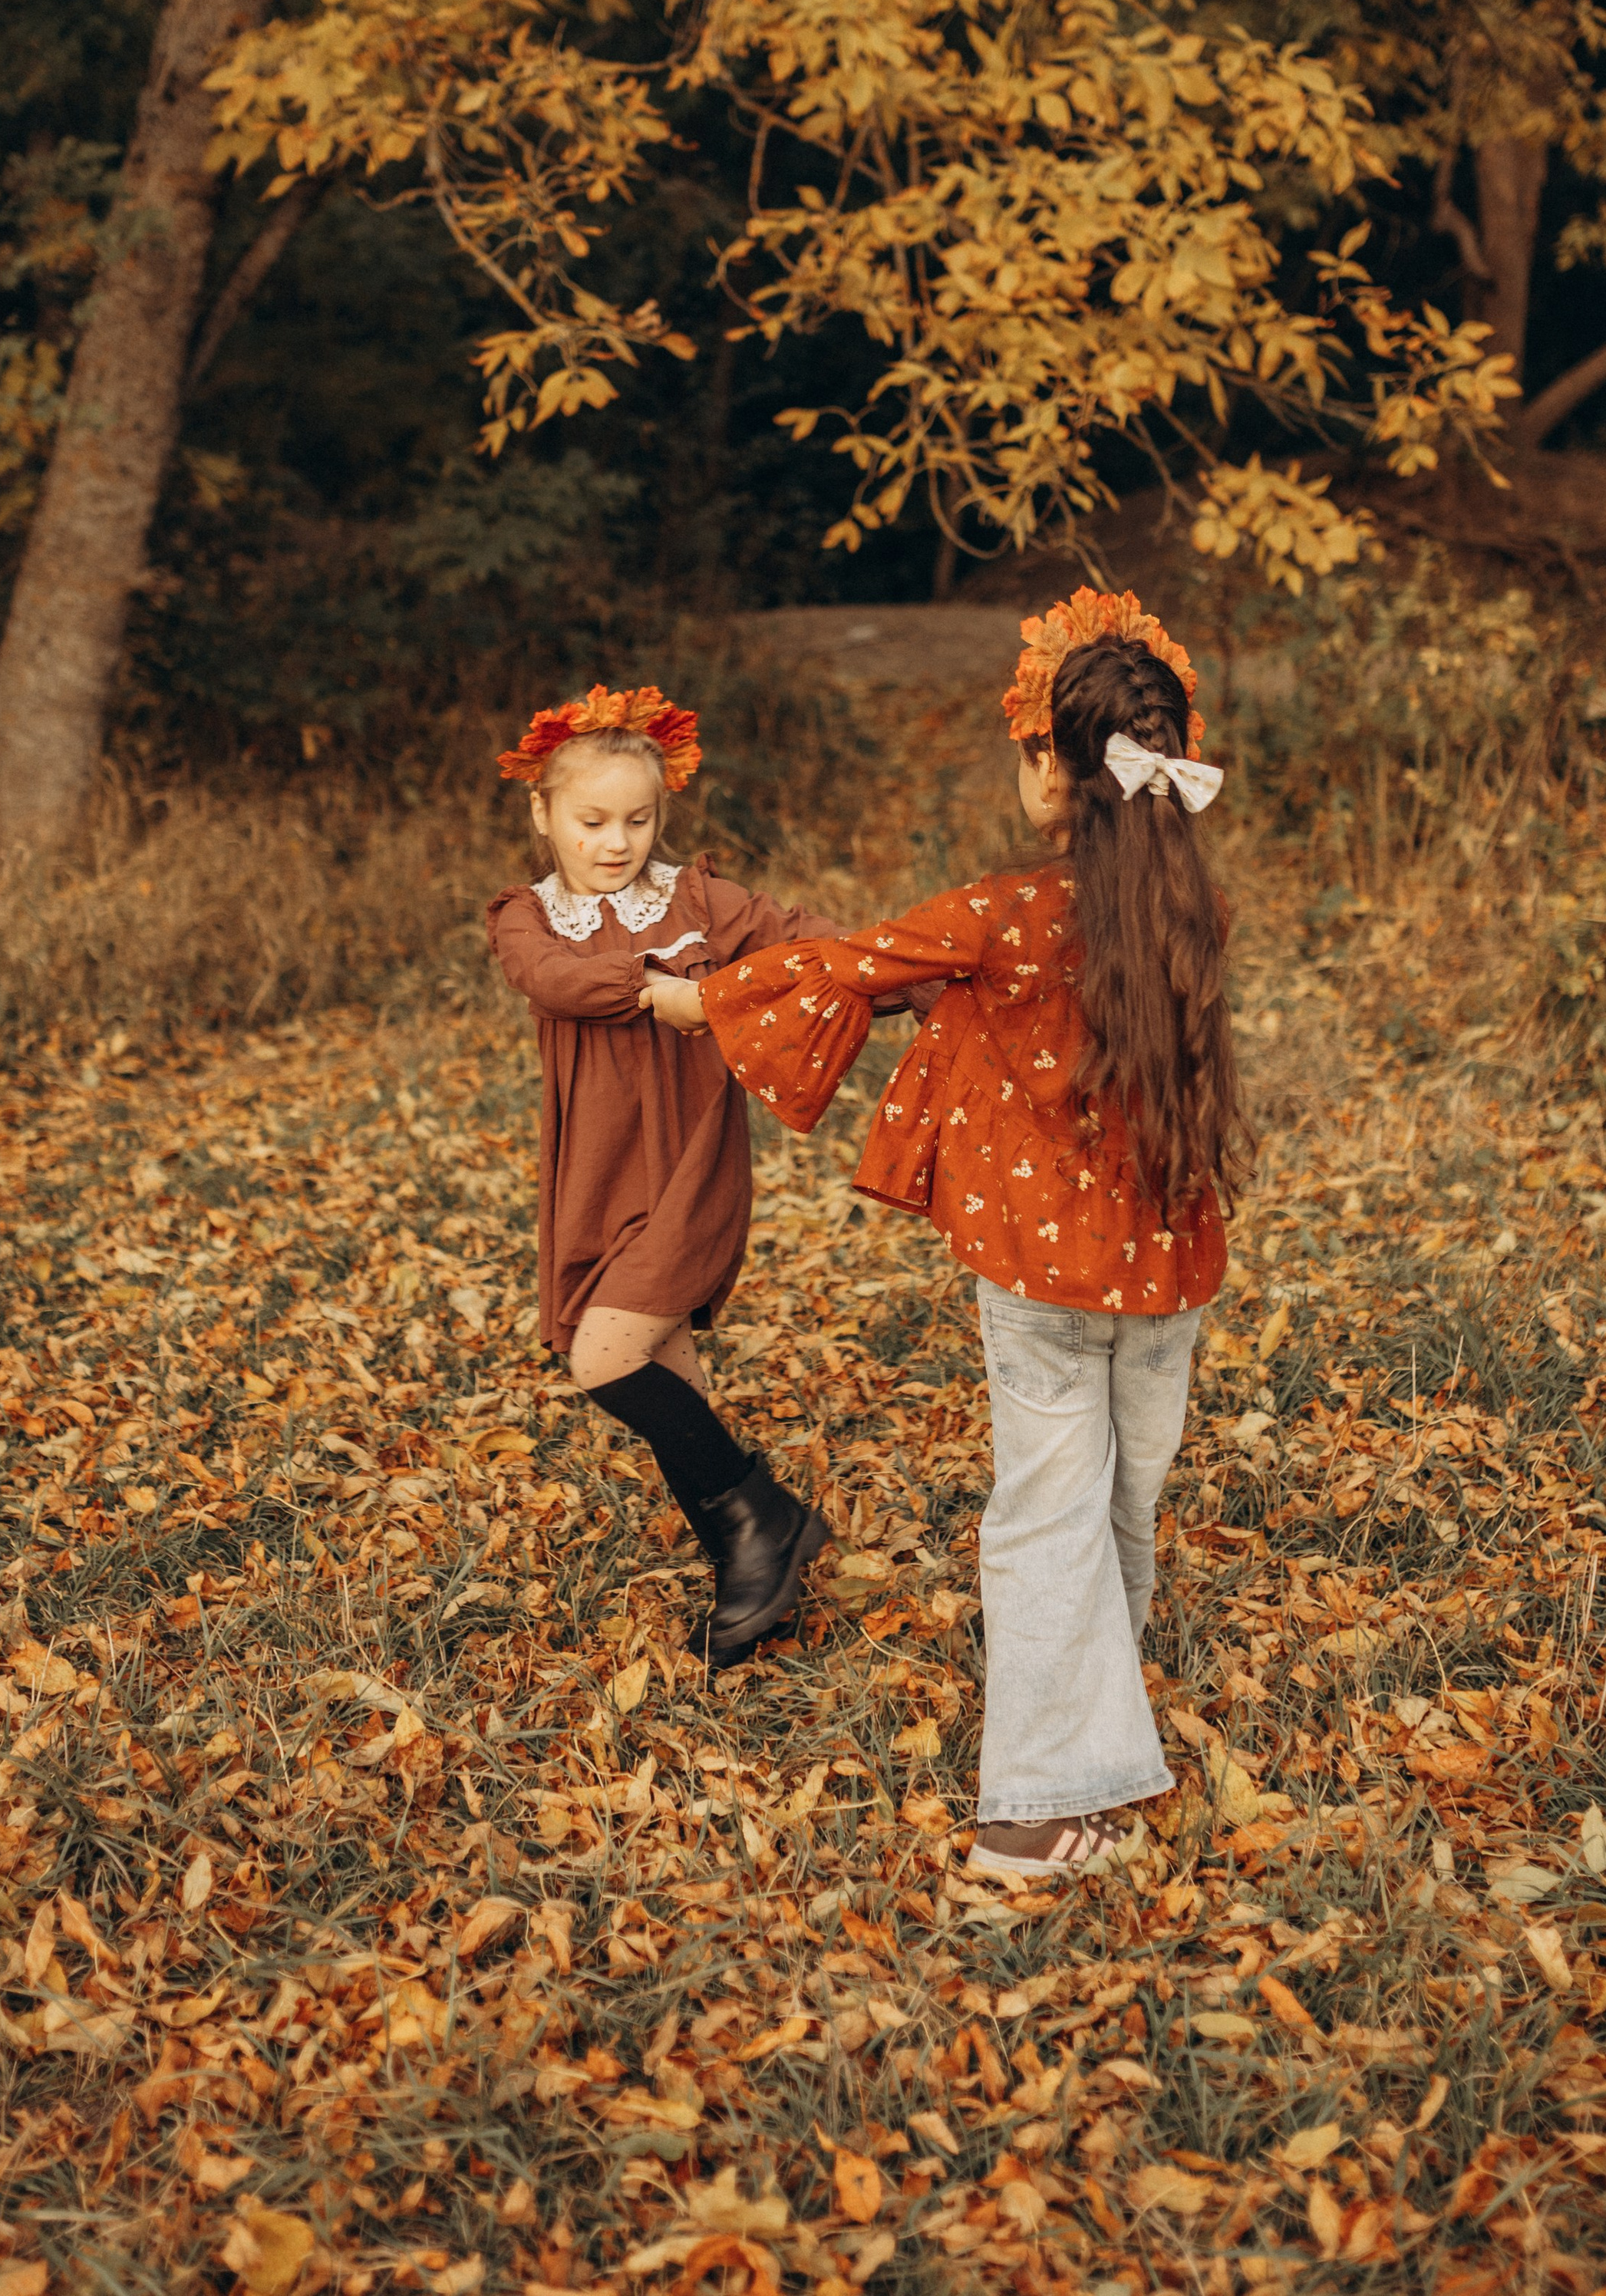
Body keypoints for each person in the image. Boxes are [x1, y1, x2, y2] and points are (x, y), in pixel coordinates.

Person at [645, 594, 1246, 1880]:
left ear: (1053, 772)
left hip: (1040, 1267)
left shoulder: (999, 915)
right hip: (1165, 1265)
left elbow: (851, 964)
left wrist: (700, 1000)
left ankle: (1030, 1813)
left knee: (1048, 1514)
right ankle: (1087, 1758)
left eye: (1028, 748)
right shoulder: (1195, 906)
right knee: (1121, 1506)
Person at [487, 682, 839, 1670]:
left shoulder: (697, 903)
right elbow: (552, 981)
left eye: (637, 821)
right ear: (543, 813)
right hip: (597, 1174)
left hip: (689, 1162)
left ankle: (766, 1523)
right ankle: (754, 1570)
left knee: (606, 1360)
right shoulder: (526, 916)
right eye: (592, 820)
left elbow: (806, 942)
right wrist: (661, 989)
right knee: (669, 1372)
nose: (616, 842)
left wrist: (912, 971)